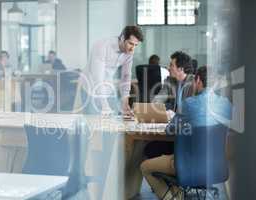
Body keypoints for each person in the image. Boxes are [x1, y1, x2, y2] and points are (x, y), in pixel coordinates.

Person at [140, 66, 232, 200]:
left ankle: (173, 198)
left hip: (186, 164)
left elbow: (169, 130)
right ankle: (178, 194)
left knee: (144, 167)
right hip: (215, 165)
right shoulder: (226, 104)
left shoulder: (188, 104)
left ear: (198, 80)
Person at [77, 25, 144, 115]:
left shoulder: (129, 53)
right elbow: (97, 78)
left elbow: (126, 76)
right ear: (123, 38)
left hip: (108, 87)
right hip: (90, 87)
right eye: (131, 43)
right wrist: (104, 104)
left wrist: (125, 102)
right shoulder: (102, 46)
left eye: (136, 45)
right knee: (92, 122)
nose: (133, 48)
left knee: (113, 120)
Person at [144, 51, 195, 160]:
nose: (168, 67)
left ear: (181, 69)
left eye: (172, 65)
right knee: (147, 146)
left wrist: (176, 114)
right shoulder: (169, 81)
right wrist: (155, 108)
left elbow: (193, 109)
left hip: (187, 132)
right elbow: (158, 99)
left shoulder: (194, 82)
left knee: (151, 148)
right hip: (172, 127)